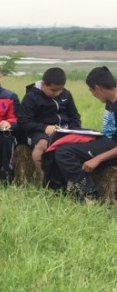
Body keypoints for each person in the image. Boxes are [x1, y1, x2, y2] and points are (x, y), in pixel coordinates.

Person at [40, 65, 117, 200]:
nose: (93, 95)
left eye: (92, 91)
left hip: (112, 148)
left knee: (65, 152)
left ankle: (88, 194)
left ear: (97, 88)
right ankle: (60, 187)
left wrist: (97, 159)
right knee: (59, 142)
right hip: (107, 142)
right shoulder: (111, 102)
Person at [17, 67, 82, 177]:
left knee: (85, 141)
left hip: (65, 129)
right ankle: (44, 177)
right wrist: (45, 128)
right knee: (43, 145)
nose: (57, 93)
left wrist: (74, 130)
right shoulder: (31, 97)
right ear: (43, 84)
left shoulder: (66, 94)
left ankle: (75, 178)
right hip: (38, 131)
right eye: (53, 90)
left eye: (60, 90)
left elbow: (74, 115)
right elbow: (24, 121)